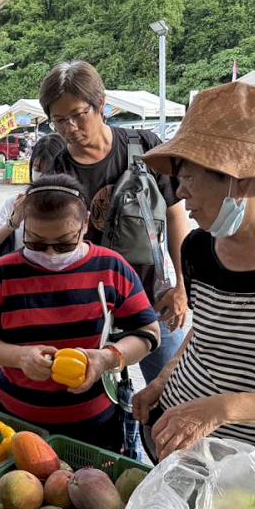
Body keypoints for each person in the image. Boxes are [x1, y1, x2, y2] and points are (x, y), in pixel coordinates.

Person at [131, 82, 255, 468]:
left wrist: (225, 408)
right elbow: (207, 329)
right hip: (182, 444)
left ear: (239, 177)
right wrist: (162, 382)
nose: (180, 195)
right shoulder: (198, 247)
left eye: (189, 177)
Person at [0, 174, 160, 451]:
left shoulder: (111, 267)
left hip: (94, 427)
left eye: (63, 243)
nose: (50, 253)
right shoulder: (2, 273)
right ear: (23, 226)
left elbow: (149, 334)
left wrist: (107, 358)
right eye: (34, 242)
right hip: (18, 426)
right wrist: (19, 357)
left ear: (86, 224)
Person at [38, 61, 191, 387]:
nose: (70, 128)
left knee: (172, 390)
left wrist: (182, 285)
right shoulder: (58, 169)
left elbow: (177, 215)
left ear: (101, 105)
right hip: (91, 306)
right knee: (96, 394)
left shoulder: (145, 147)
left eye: (78, 115)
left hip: (153, 298)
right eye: (59, 121)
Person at [0, 134, 67, 288]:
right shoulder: (15, 203)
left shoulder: (72, 208)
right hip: (19, 287)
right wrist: (13, 222)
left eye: (49, 171)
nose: (42, 176)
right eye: (37, 169)